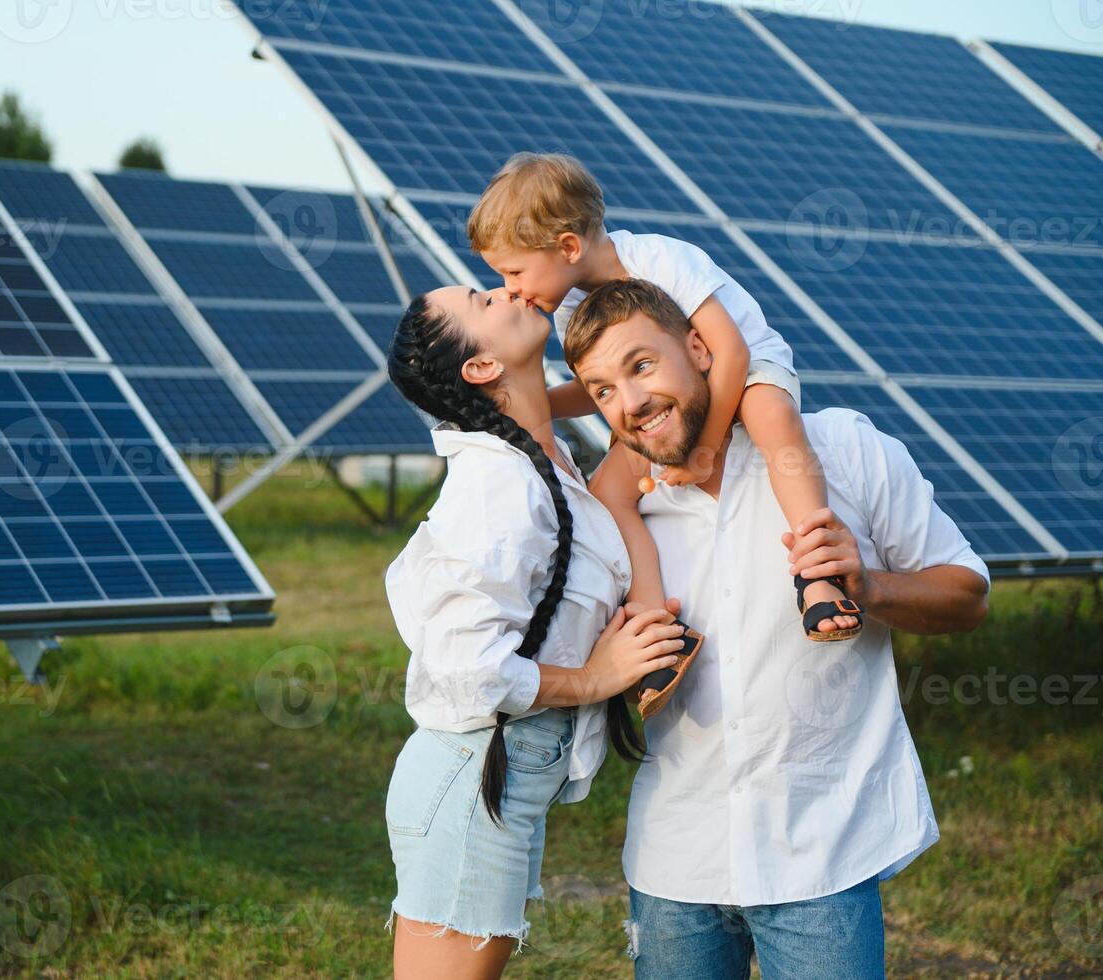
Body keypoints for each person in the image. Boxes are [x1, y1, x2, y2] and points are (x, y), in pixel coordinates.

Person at [562, 279, 990, 979]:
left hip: (821, 854)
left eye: (641, 366)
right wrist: (607, 662)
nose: (629, 403)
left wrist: (868, 584)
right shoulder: (615, 516)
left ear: (699, 349)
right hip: (674, 863)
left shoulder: (842, 450)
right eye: (602, 390)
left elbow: (966, 597)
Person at [468, 153, 861, 718]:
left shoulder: (659, 257)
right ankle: (657, 626)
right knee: (610, 492)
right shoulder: (569, 307)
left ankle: (818, 575)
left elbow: (730, 350)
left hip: (743, 374)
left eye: (514, 273)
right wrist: (542, 407)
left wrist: (703, 448)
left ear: (568, 248)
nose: (510, 290)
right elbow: (601, 385)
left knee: (776, 425)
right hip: (662, 404)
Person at [381, 283, 695, 979]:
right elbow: (466, 663)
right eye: (481, 299)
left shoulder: (536, 461)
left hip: (494, 772)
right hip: (472, 775)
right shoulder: (500, 483)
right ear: (481, 367)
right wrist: (592, 678)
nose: (507, 287)